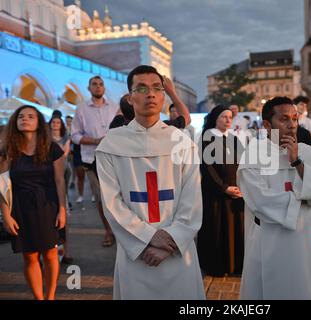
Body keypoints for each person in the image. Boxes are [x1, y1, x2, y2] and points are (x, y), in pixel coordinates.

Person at [95, 65, 205, 299]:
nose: (151, 94)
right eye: (142, 88)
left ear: (164, 95)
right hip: (137, 252)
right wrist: (148, 238)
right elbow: (111, 203)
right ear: (130, 96)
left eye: (157, 88)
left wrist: (173, 239)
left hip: (176, 252)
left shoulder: (182, 143)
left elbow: (192, 198)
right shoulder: (111, 145)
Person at [237, 97, 311, 299]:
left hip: (303, 240)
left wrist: (297, 162)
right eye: (284, 119)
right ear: (266, 125)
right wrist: (305, 199)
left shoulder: (306, 151)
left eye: (294, 118)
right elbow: (260, 201)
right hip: (269, 239)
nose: (292, 125)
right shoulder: (253, 154)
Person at [0, 105, 66, 300]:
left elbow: (60, 180)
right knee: (29, 256)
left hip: (47, 205)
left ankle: (50, 295)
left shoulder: (52, 148)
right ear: (15, 121)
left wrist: (62, 210)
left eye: (30, 116)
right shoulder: (8, 150)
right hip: (20, 207)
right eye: (21, 116)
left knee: (51, 255)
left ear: (38, 123)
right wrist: (5, 215)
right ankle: (39, 297)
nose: (25, 119)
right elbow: (2, 185)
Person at [71, 76, 119, 247]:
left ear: (104, 88)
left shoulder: (114, 107)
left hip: (115, 158)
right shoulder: (81, 109)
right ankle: (108, 231)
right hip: (92, 160)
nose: (98, 87)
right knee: (100, 199)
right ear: (89, 88)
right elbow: (75, 136)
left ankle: (123, 231)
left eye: (100, 84)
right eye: (94, 84)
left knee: (119, 196)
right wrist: (95, 141)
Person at [197, 105, 245, 276]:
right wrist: (224, 188)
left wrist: (241, 185)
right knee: (217, 229)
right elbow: (207, 168)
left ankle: (235, 265)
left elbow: (243, 163)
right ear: (215, 118)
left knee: (236, 230)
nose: (228, 120)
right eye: (224, 117)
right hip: (216, 192)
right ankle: (216, 266)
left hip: (236, 190)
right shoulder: (207, 138)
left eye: (230, 117)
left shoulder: (233, 138)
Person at [49, 116, 73, 264]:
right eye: (53, 122)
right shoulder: (44, 139)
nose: (55, 124)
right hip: (47, 178)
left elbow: (63, 157)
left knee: (63, 219)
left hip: (62, 174)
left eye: (58, 122)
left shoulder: (65, 139)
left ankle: (64, 253)